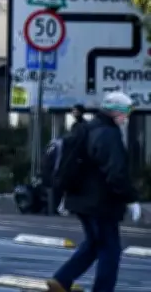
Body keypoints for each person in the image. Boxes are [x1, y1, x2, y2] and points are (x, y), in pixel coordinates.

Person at [47, 92, 142, 292]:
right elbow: (116, 172)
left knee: (93, 244)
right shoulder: (109, 134)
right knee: (110, 249)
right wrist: (131, 199)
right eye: (126, 112)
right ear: (116, 111)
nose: (127, 117)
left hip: (81, 199)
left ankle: (62, 279)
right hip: (101, 203)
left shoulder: (88, 128)